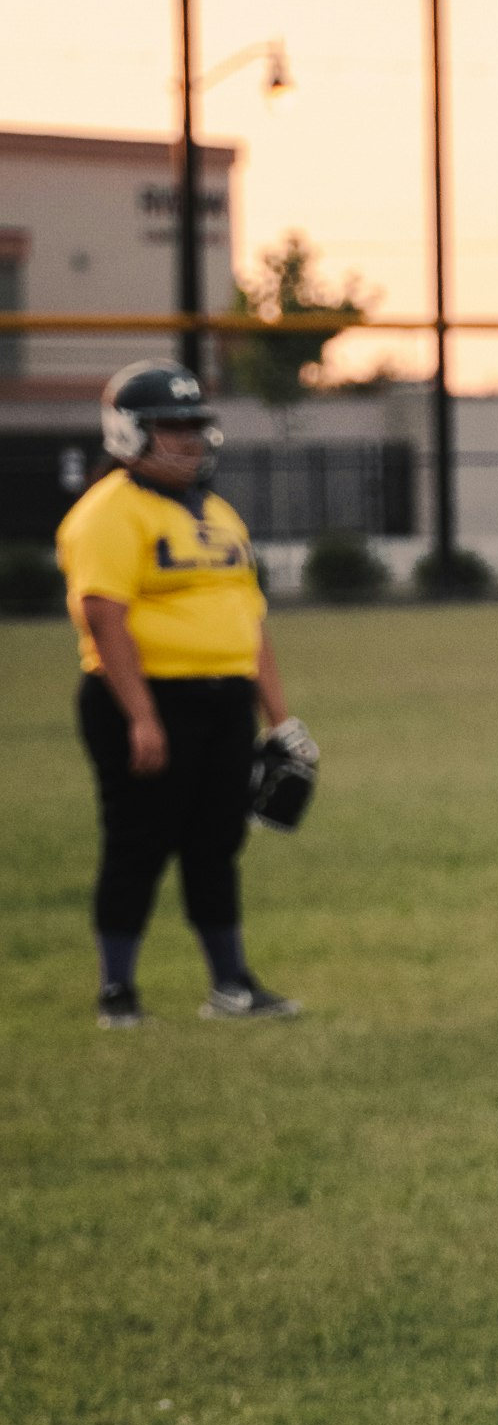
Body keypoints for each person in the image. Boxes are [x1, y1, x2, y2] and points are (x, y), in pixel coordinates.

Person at [58, 360, 311, 1027]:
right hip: (145, 700)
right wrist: (141, 716)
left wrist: (278, 720)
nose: (190, 440)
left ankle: (231, 985)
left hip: (224, 699)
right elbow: (102, 615)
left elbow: (248, 620)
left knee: (215, 844)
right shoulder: (109, 511)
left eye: (195, 426)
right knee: (138, 841)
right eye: (172, 428)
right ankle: (118, 991)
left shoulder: (220, 512)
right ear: (127, 433)